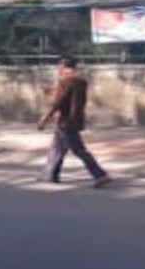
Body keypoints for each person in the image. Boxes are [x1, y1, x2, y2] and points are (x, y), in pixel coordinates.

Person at [37, 56, 111, 187]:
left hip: (66, 121)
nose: (57, 69)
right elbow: (70, 97)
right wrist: (53, 91)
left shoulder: (66, 81)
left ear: (62, 66)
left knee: (78, 150)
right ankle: (50, 174)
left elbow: (58, 103)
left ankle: (99, 174)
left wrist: (45, 118)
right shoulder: (80, 81)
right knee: (57, 149)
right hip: (75, 119)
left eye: (58, 66)